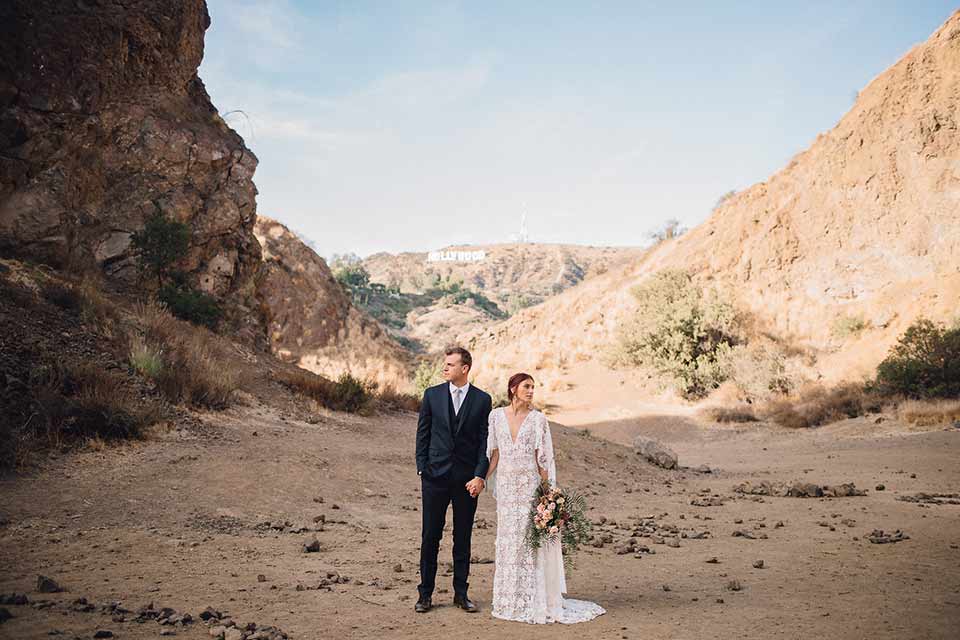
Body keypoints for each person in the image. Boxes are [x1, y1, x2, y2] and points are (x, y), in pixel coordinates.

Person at [484, 372, 605, 624]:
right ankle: (509, 599)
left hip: (530, 488)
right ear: (513, 388)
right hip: (507, 490)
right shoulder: (495, 416)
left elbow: (543, 460)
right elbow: (494, 454)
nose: (530, 391)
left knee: (530, 542)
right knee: (508, 541)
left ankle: (534, 599)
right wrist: (482, 478)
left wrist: (548, 493)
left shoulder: (538, 420)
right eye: (526, 387)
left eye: (533, 387)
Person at [414, 346, 492, 614]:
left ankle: (461, 593)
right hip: (434, 478)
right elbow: (422, 434)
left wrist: (480, 475)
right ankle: (425, 595)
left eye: (450, 364)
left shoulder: (483, 400)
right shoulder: (432, 395)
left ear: (465, 368)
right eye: (444, 364)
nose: (444, 368)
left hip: (467, 481)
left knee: (463, 538)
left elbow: (485, 441)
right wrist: (422, 467)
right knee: (430, 537)